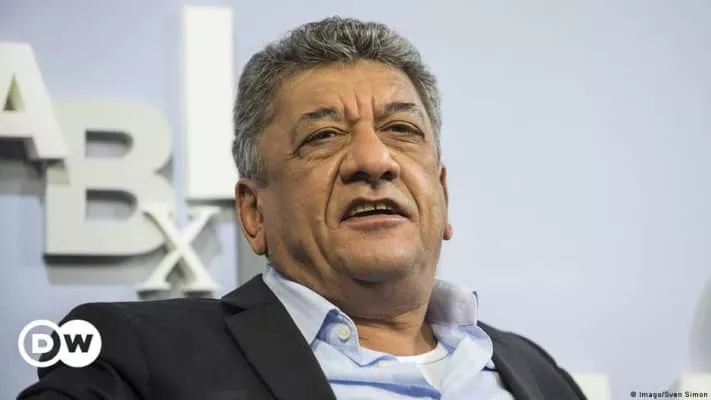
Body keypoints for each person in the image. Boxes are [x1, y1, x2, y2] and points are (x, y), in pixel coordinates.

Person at [18, 16, 587, 400]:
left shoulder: (537, 373)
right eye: (323, 137)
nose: (373, 159)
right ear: (253, 213)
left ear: (442, 195)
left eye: (401, 129)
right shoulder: (130, 357)